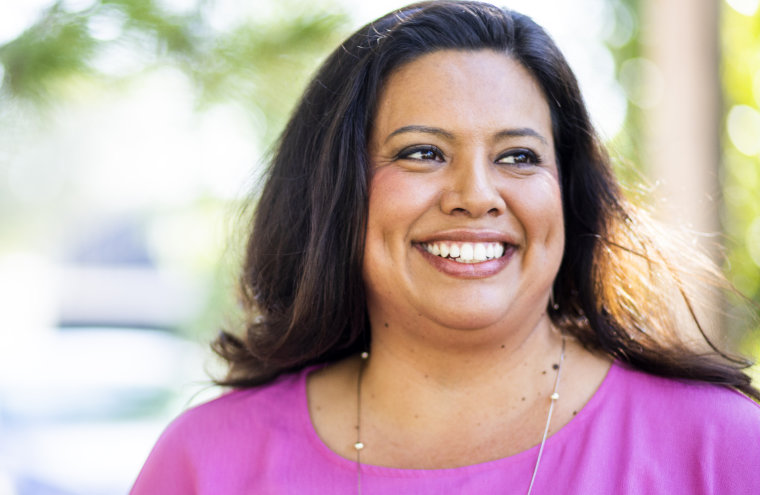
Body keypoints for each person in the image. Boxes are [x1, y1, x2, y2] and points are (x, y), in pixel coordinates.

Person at [131, 1, 760, 493]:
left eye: (518, 156)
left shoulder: (722, 448)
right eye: (423, 153)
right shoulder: (208, 461)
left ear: (568, 196)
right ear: (336, 192)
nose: (476, 195)